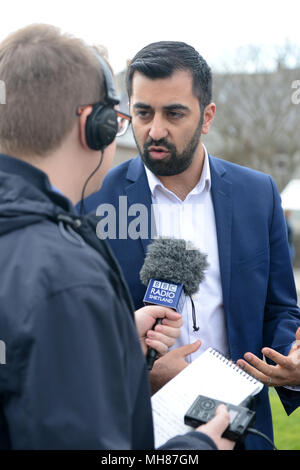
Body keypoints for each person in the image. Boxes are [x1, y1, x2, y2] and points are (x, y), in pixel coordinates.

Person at [0, 25, 234, 450]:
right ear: (96, 126)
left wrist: (116, 340)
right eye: (129, 117)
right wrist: (198, 448)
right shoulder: (67, 276)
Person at [82, 41, 300, 450]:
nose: (155, 129)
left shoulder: (259, 194)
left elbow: (279, 308)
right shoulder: (94, 201)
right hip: (138, 434)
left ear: (207, 117)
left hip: (244, 430)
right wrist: (138, 375)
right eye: (143, 113)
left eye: (174, 113)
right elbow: (77, 335)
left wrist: (290, 358)